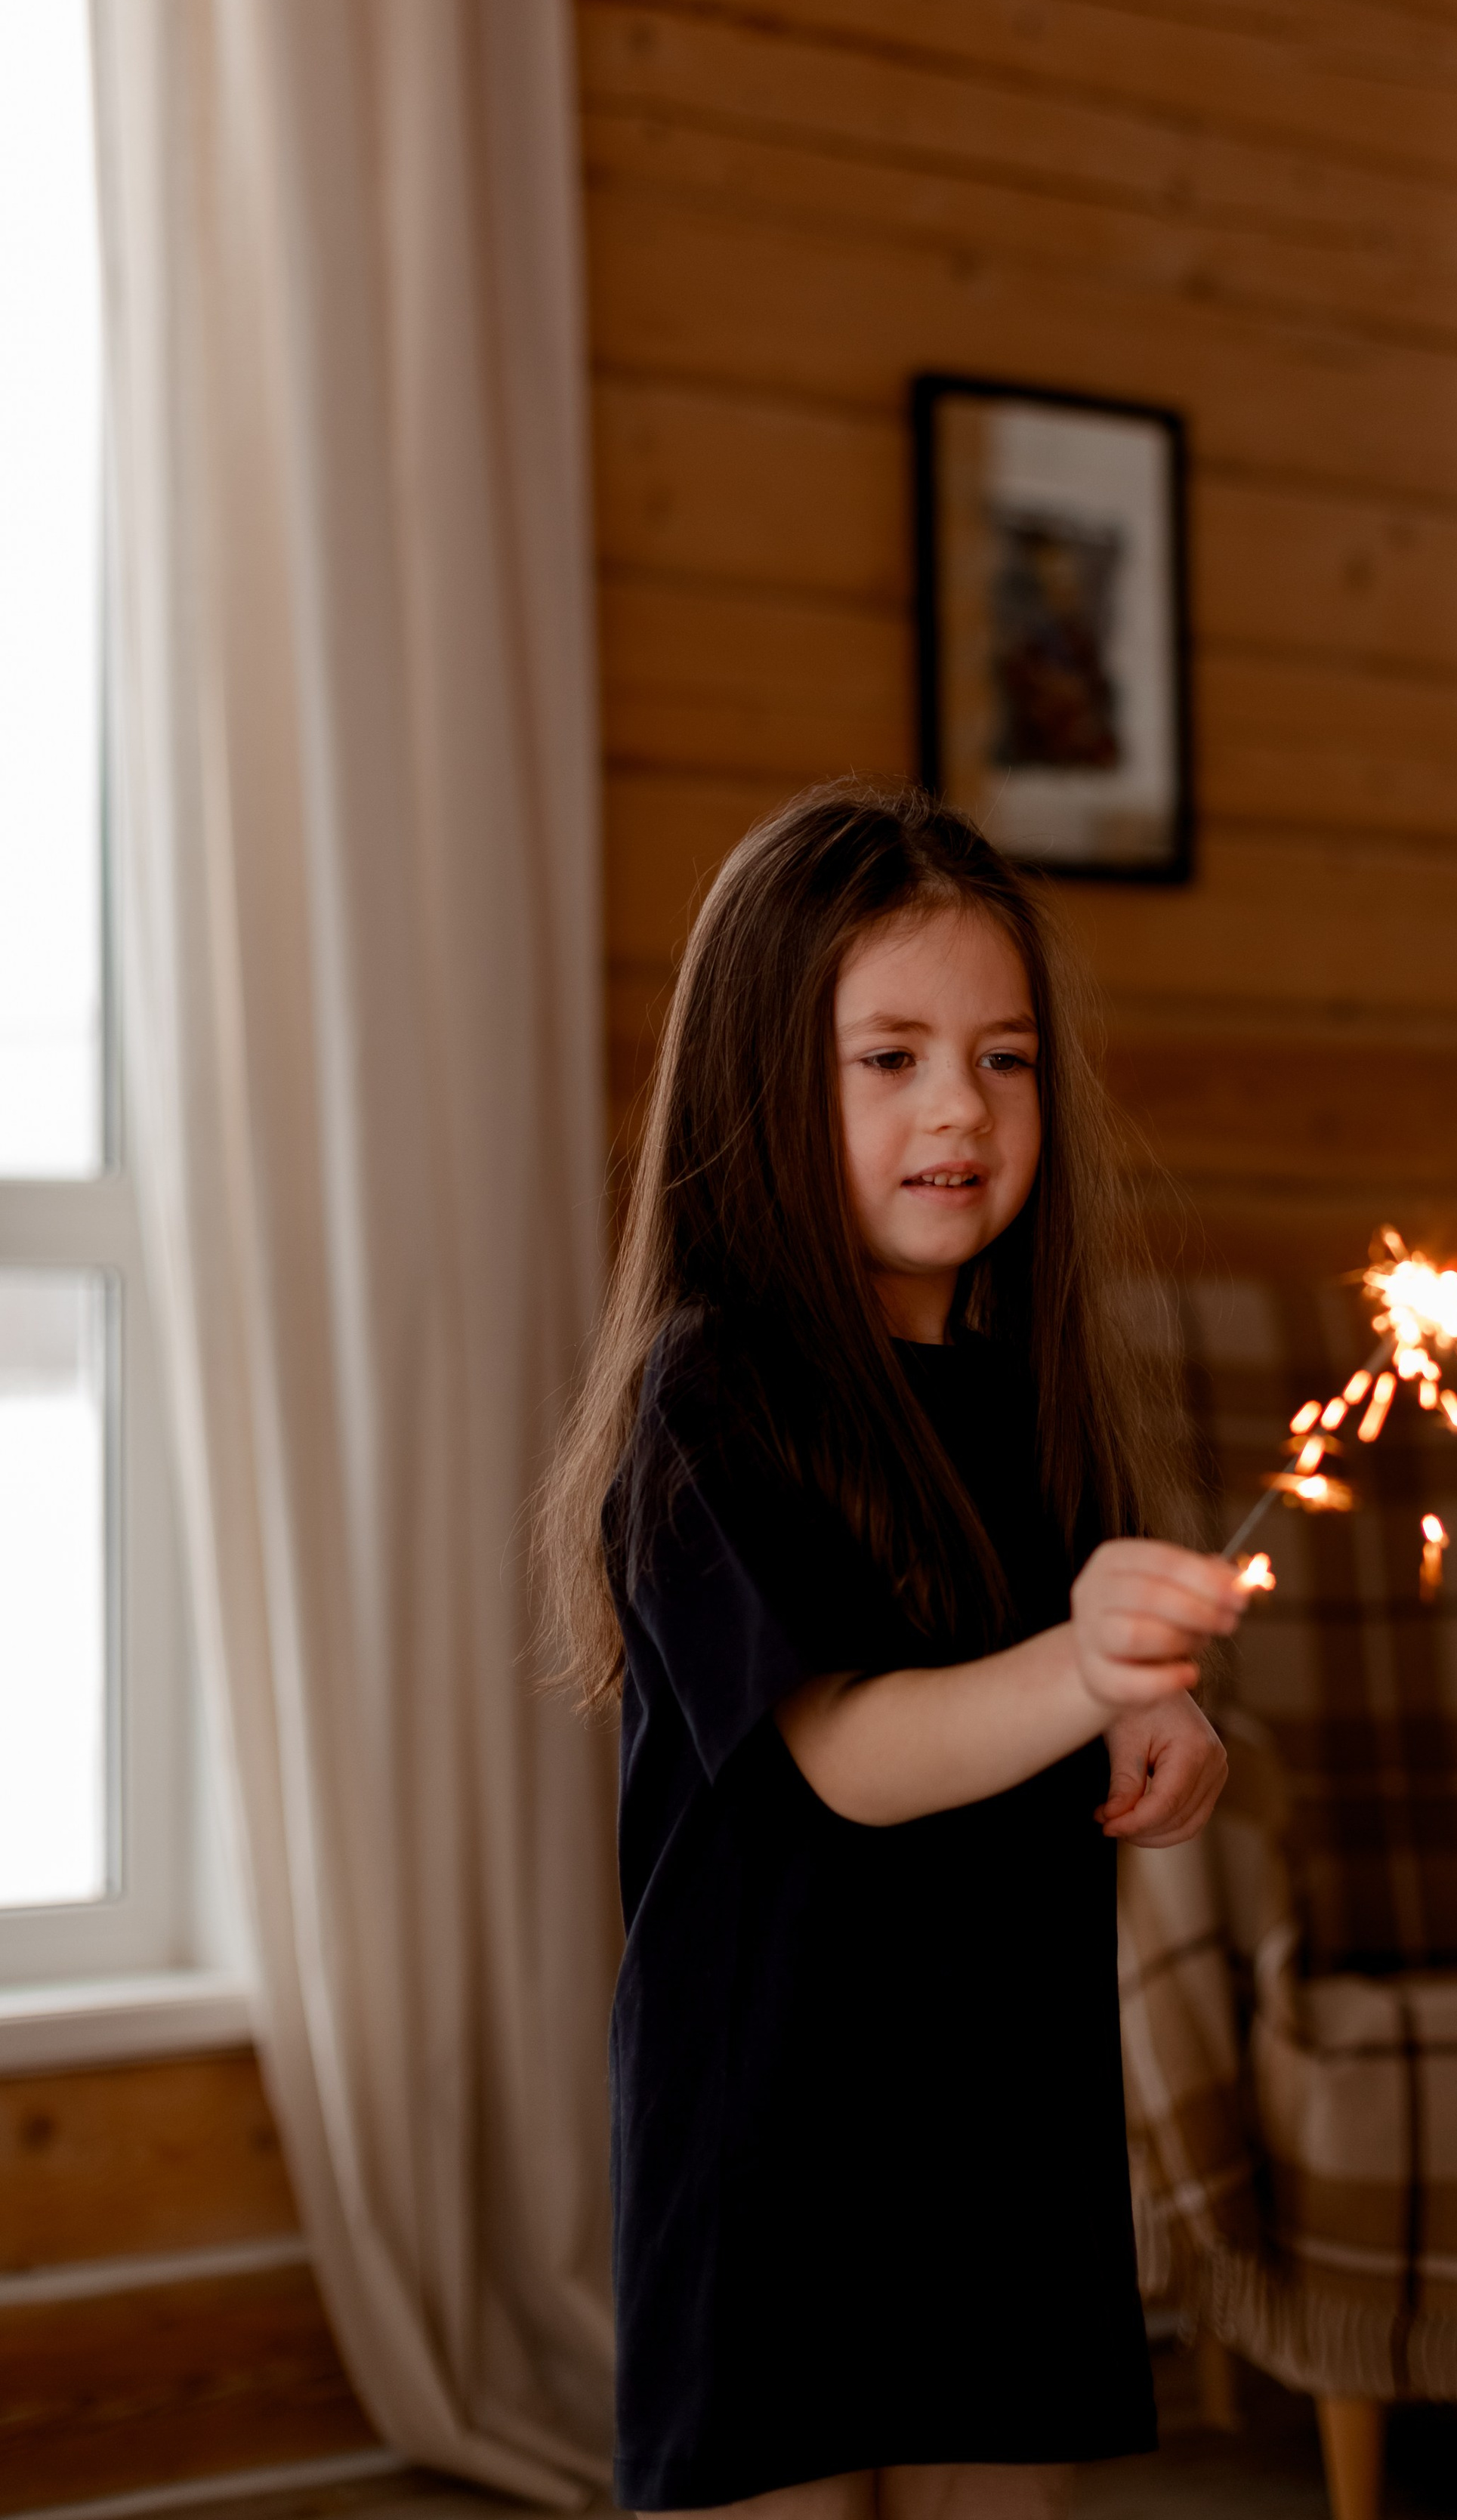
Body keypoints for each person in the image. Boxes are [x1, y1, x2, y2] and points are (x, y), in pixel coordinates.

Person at [536, 780, 1253, 2519]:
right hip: (774, 2144)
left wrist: (1150, 1730)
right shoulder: (708, 1401)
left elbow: (1050, 1699)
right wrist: (1082, 1674)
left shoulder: (1036, 1396)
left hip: (1000, 2134)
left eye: (1003, 1059)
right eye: (892, 1058)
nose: (962, 1107)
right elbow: (850, 1751)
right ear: (757, 1080)